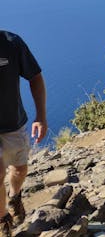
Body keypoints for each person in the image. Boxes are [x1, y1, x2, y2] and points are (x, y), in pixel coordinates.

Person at [0, 31, 47, 237]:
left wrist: (41, 117)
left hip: (13, 123)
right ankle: (3, 220)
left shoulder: (11, 43)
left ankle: (15, 196)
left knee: (19, 170)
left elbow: (35, 77)